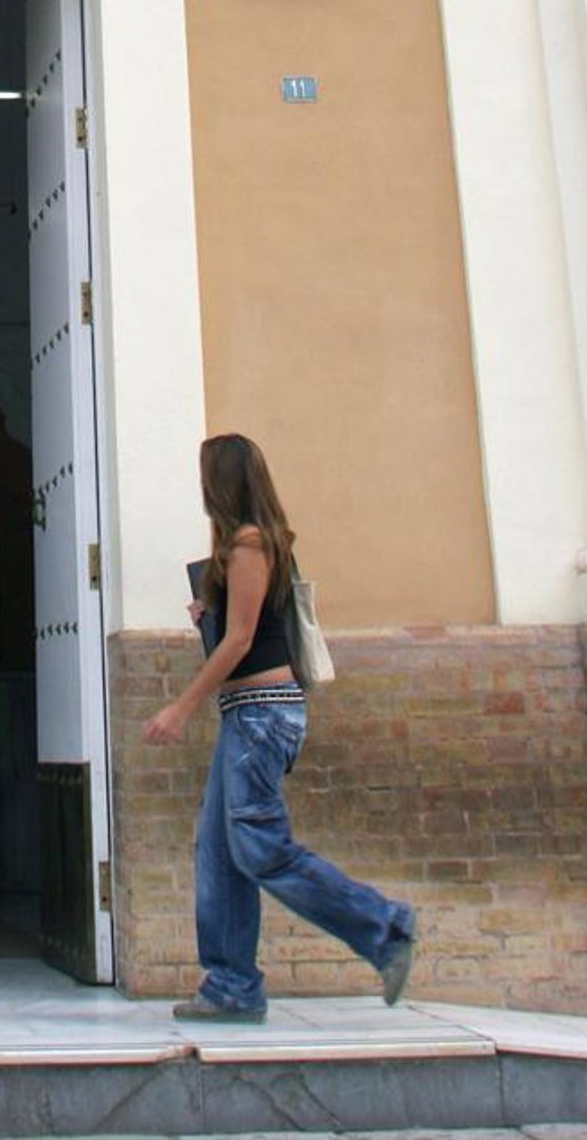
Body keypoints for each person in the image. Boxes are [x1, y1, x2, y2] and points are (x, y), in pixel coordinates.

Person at [142, 430, 416, 1025]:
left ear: (222, 482)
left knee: (261, 848)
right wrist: (209, 613)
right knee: (220, 854)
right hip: (250, 715)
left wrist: (180, 708)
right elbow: (246, 625)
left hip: (262, 714)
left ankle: (385, 927)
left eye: (205, 474)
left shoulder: (249, 544)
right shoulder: (248, 545)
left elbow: (242, 640)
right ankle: (232, 985)